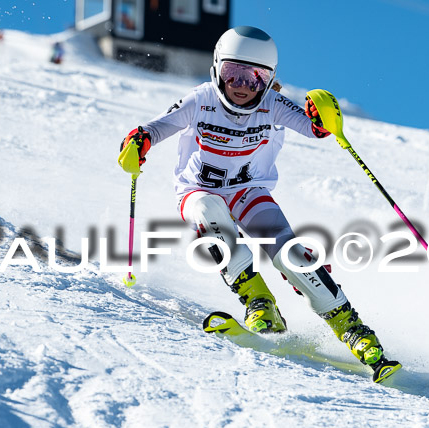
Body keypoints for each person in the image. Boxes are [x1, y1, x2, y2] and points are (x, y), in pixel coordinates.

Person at [118, 26, 400, 380]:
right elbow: (158, 127)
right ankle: (259, 303)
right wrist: (138, 142)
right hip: (199, 189)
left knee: (291, 255)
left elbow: (314, 128)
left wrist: (323, 116)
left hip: (249, 191)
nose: (241, 86)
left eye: (254, 78)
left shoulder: (273, 104)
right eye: (232, 74)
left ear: (269, 81)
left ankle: (354, 331)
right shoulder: (201, 99)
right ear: (216, 69)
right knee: (212, 221)